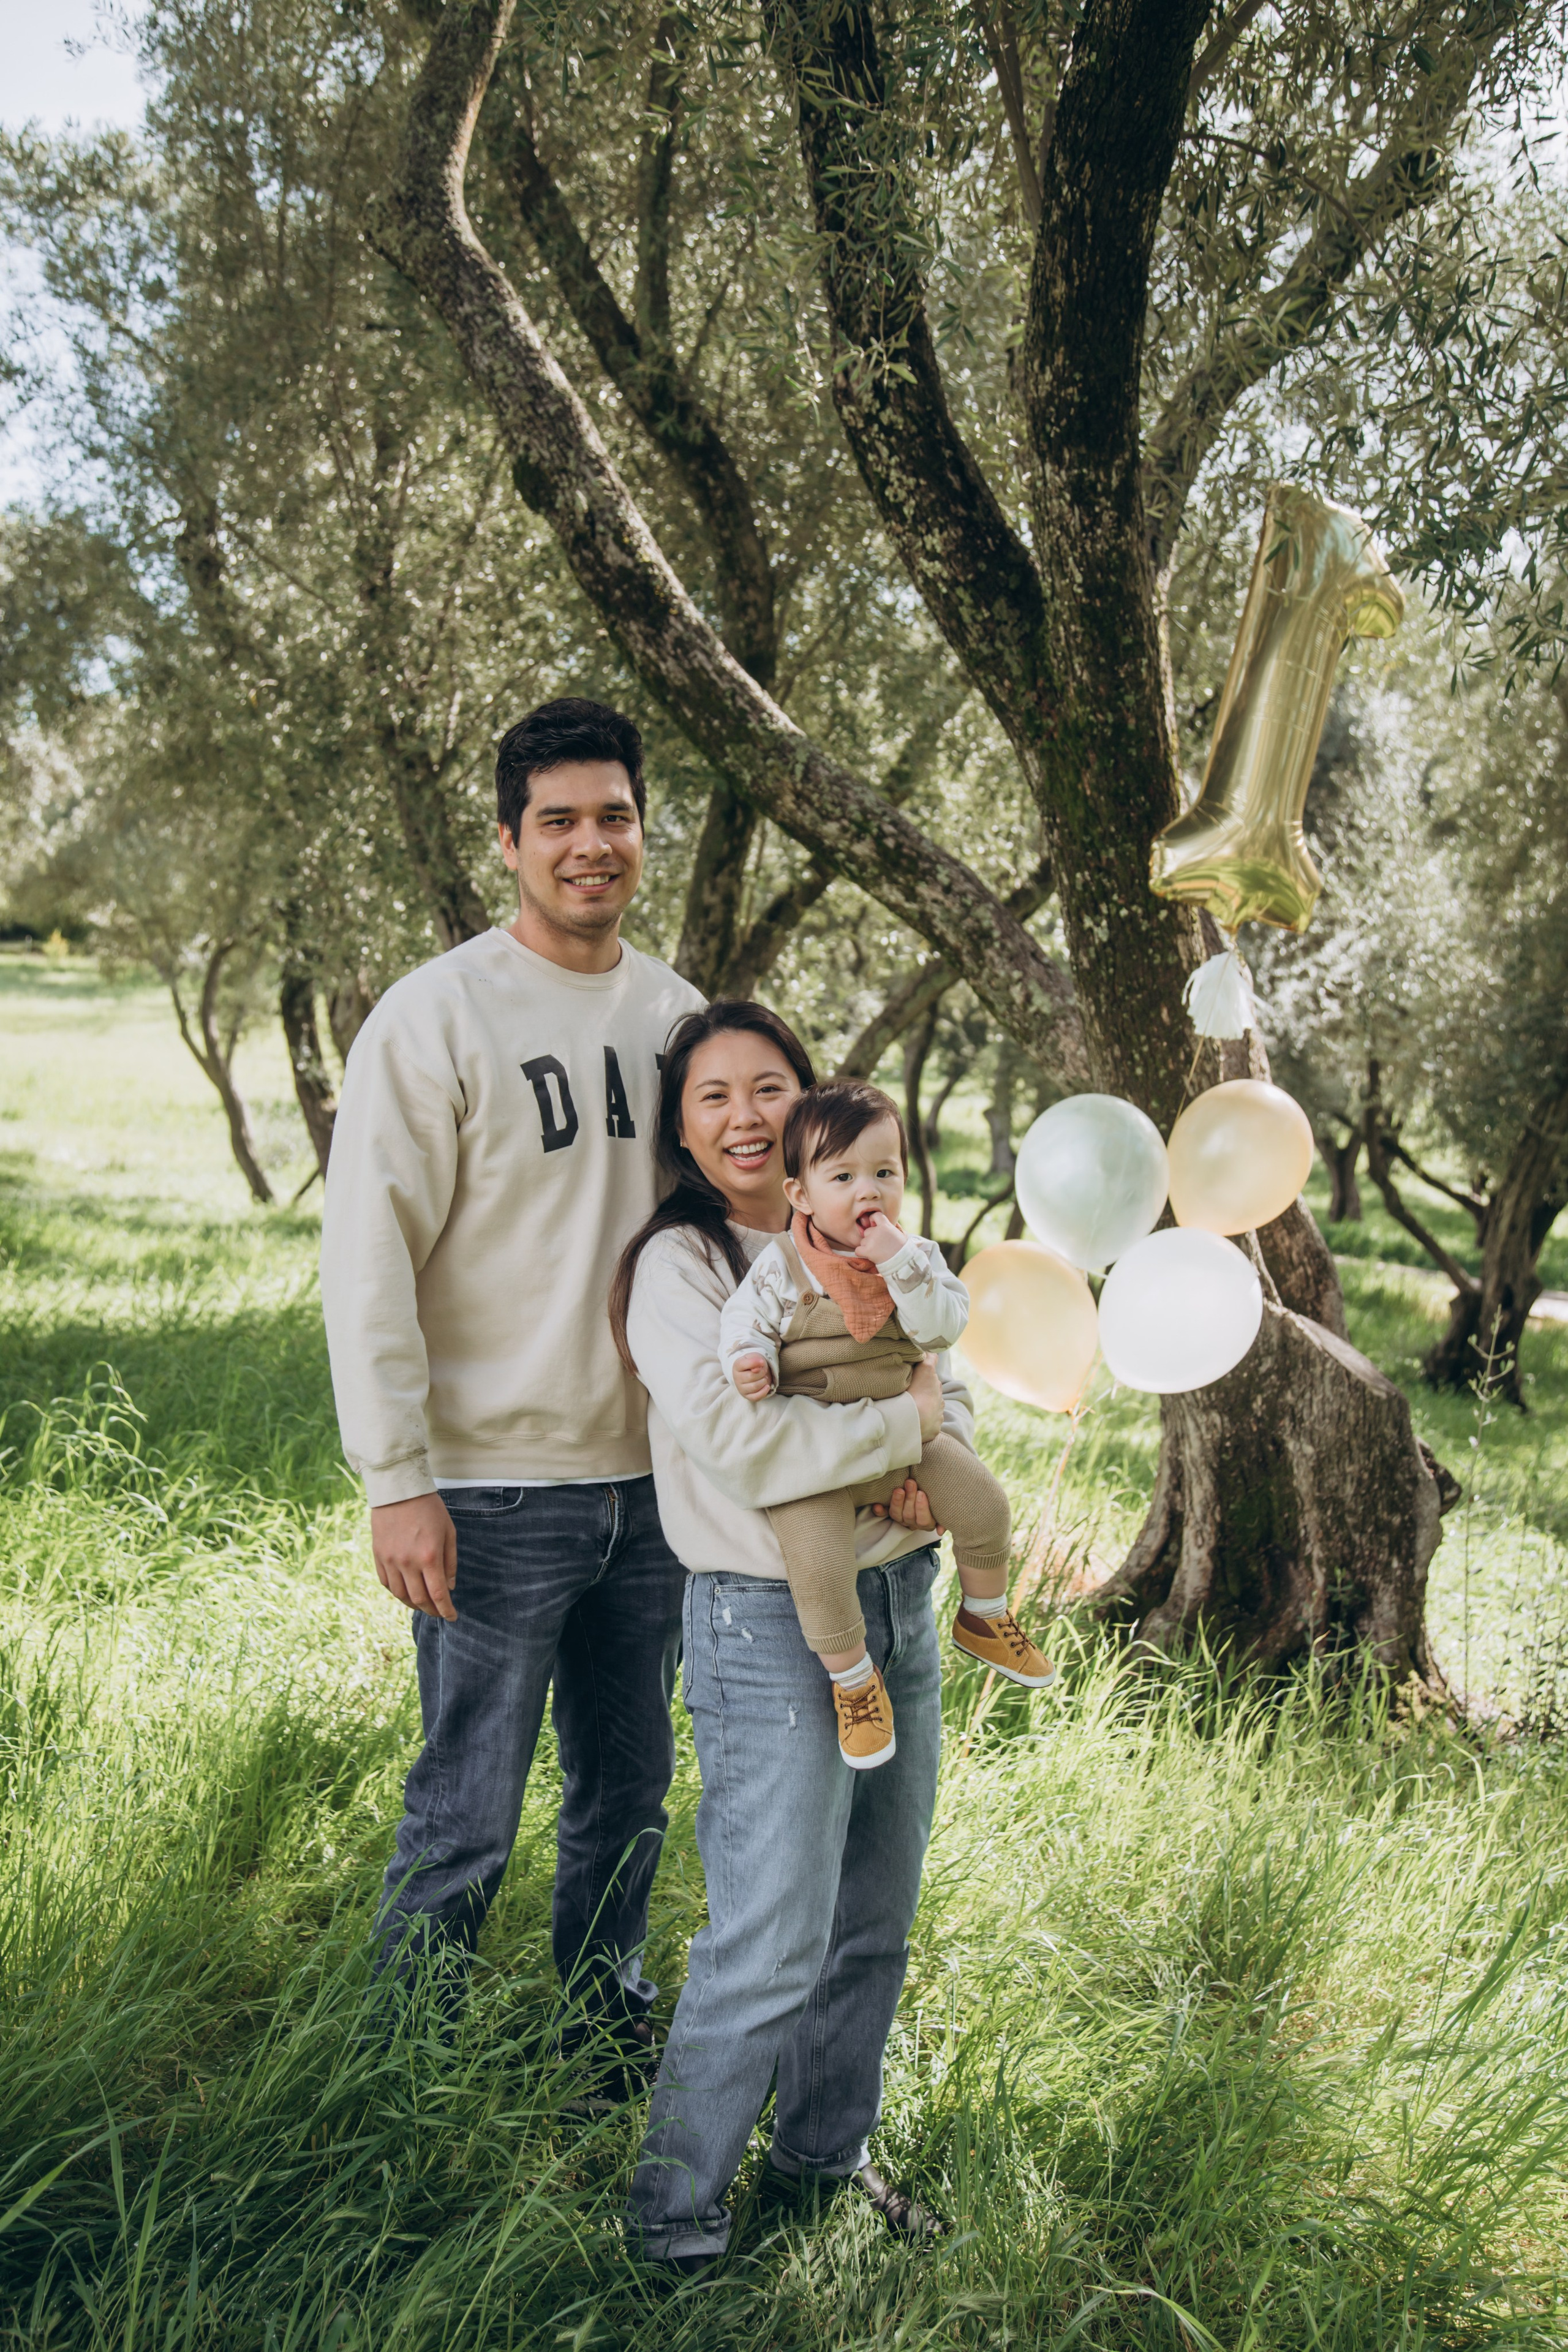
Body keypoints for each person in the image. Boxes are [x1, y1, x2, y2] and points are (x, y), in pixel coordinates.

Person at [319, 697, 703, 2075]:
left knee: (629, 1793)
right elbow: (367, 1259)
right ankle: (400, 2076)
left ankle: (602, 2047)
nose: (589, 845)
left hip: (655, 1492)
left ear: (642, 833)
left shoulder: (676, 1019)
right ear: (508, 842)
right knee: (465, 1809)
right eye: (558, 822)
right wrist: (396, 1478)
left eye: (613, 817)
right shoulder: (435, 1017)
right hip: (487, 1492)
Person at [607, 1001, 976, 2272]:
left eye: (768, 1088)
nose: (746, 1115)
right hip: (767, 1621)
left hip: (897, 1600)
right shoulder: (683, 1271)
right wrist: (904, 1431)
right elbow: (747, 1444)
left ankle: (821, 2163)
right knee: (766, 1938)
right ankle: (672, 2218)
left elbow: (949, 1372)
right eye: (712, 1098)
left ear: (810, 1112)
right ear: (683, 1131)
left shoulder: (871, 1239)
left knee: (872, 1914)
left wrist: (945, 1450)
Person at [719, 1077, 1054, 1768]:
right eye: (842, 1176)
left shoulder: (917, 1259)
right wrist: (750, 1358)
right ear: (801, 1196)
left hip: (908, 1437)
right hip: (816, 1452)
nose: (867, 1191)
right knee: (816, 1563)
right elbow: (743, 1322)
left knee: (985, 1502)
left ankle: (983, 1613)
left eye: (883, 1172)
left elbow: (941, 1328)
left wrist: (899, 1264)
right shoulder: (781, 1267)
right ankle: (853, 1681)